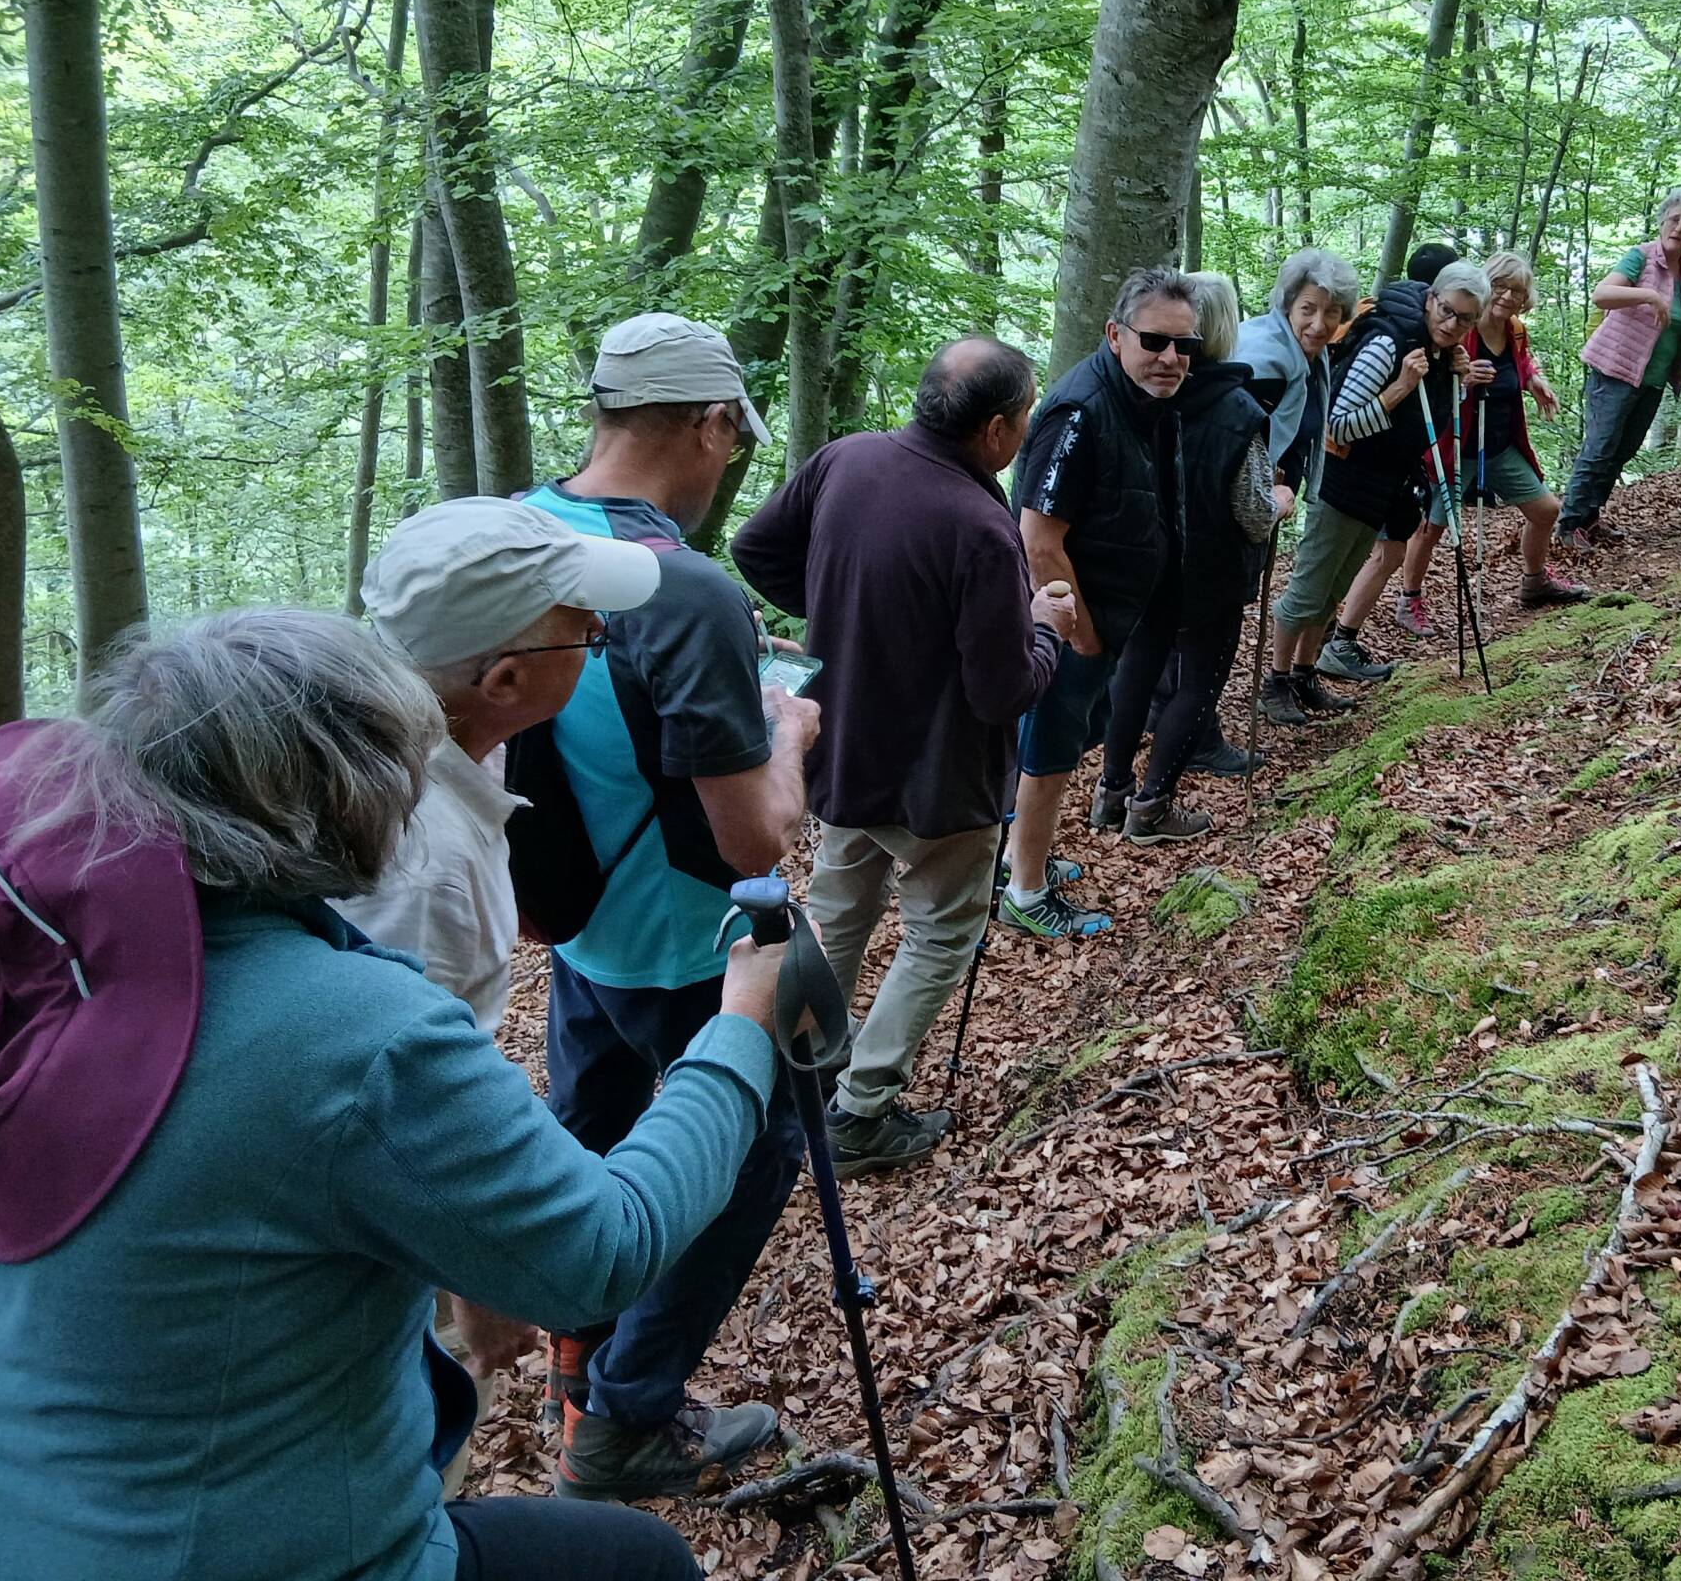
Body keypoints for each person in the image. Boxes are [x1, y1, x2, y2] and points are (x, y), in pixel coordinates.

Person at [0, 610, 784, 1581]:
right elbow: (603, 1252)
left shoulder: (43, 965)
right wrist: (742, 1027)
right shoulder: (352, 1032)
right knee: (639, 1565)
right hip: (231, 1554)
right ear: (347, 791)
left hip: (0, 1517)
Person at [512, 311, 818, 1502]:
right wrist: (784, 730)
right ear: (709, 423)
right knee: (754, 1145)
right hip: (688, 940)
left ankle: (575, 1356)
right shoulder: (683, 589)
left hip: (573, 915)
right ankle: (624, 1419)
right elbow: (754, 837)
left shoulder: (511, 531)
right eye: (731, 440)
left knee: (590, 1127)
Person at [338, 496, 669, 1493]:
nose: (599, 637)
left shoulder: (393, 757)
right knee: (414, 1482)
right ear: (507, 681)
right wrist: (476, 1288)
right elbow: (402, 1108)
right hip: (358, 1282)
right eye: (585, 632)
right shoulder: (422, 861)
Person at [728, 338, 1079, 1177]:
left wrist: (848, 607)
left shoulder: (846, 460)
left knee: (839, 915)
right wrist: (1046, 629)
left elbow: (755, 548)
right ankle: (861, 1110)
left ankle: (801, 1071)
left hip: (845, 748)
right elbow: (1003, 691)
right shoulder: (979, 526)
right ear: (995, 429)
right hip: (938, 779)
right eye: (1026, 412)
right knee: (940, 934)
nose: (1026, 426)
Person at [1002, 269, 1199, 938]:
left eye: (1184, 346)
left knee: (1068, 739)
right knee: (1049, 752)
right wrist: (1080, 635)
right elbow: (1038, 540)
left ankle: (1018, 855)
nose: (1170, 357)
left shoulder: (1144, 402)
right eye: (1154, 341)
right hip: (1064, 620)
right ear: (1116, 335)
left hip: (1107, 614)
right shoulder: (1082, 412)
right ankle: (1025, 892)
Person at [1092, 273, 1277, 843]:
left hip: (1148, 561)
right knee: (1199, 681)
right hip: (1209, 572)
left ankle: (1112, 791)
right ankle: (1151, 806)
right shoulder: (1237, 409)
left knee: (1138, 667)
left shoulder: (1138, 393)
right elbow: (1254, 513)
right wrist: (1282, 500)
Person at [1275, 255, 1485, 696]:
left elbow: (1427, 421)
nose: (1452, 324)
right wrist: (1399, 389)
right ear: (1430, 300)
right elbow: (1337, 427)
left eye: (1465, 319)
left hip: (1380, 488)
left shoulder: (1439, 353)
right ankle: (1276, 683)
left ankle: (1304, 675)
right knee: (1308, 592)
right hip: (1341, 484)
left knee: (1333, 591)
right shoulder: (1389, 346)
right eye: (1447, 310)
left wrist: (1456, 382)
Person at [1388, 251, 1590, 628]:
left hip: (1498, 445)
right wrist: (1463, 381)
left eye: (1517, 290)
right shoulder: (1461, 327)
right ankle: (1409, 599)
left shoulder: (1514, 330)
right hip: (1453, 446)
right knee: (1431, 527)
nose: (1508, 296)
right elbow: (1432, 381)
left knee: (1546, 510)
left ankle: (1534, 581)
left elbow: (1523, 360)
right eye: (1500, 285)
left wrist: (1534, 379)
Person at [1557, 188, 1681, 549]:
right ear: (1662, 221)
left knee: (1622, 450)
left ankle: (1590, 518)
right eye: (1673, 219)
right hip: (1615, 370)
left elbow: (1677, 326)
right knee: (1599, 447)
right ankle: (1568, 524)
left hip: (1653, 378)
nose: (1678, 227)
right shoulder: (1640, 258)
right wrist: (1648, 294)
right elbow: (1602, 295)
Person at [1243, 251, 1353, 729]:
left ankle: (1292, 680)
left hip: (1274, 491)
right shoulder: (1265, 361)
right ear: (1287, 304)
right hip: (1246, 498)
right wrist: (1263, 482)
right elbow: (1234, 434)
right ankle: (1193, 719)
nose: (1319, 323)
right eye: (1308, 308)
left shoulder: (1312, 357)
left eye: (1331, 312)